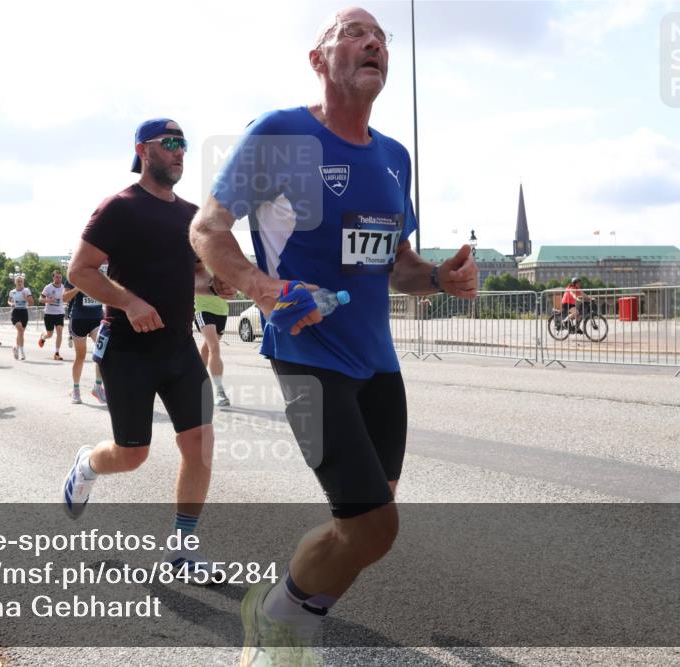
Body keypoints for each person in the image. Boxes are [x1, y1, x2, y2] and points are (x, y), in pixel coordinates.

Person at [188, 8, 479, 663]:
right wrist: (267, 290)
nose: (373, 41)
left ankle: (293, 609)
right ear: (319, 61)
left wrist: (439, 277)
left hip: (378, 364)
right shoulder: (281, 134)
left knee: (369, 529)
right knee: (374, 523)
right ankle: (278, 619)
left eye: (380, 36)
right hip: (306, 355)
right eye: (353, 32)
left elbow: (396, 265)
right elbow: (207, 229)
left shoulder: (394, 158)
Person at [64, 118, 236, 580]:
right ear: (144, 150)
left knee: (199, 443)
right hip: (127, 350)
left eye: (184, 144)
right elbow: (80, 272)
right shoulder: (119, 208)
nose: (181, 152)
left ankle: (182, 550)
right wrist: (129, 301)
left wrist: (215, 280)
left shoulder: (190, 215)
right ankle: (87, 464)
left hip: (179, 347)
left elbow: (195, 276)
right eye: (171, 143)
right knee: (131, 454)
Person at [63, 275, 106, 404]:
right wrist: (79, 287)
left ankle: (97, 387)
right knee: (80, 356)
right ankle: (76, 389)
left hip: (96, 319)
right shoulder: (74, 274)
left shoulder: (102, 273)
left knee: (102, 352)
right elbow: (65, 297)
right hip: (79, 319)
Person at [194, 290, 231, 407]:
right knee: (214, 347)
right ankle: (220, 391)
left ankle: (196, 380)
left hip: (222, 311)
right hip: (203, 309)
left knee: (207, 348)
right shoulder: (198, 270)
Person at [38, 270, 67, 360]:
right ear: (53, 277)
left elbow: (66, 298)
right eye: (57, 277)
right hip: (49, 313)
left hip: (60, 313)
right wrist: (48, 301)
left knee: (59, 332)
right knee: (50, 334)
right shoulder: (48, 287)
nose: (58, 279)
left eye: (60, 277)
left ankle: (57, 353)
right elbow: (40, 299)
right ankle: (43, 337)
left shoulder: (64, 287)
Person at [7, 275, 33, 360]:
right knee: (20, 330)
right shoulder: (12, 292)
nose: (20, 283)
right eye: (18, 281)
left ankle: (16, 348)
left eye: (21, 281)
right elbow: (9, 301)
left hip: (24, 312)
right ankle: (22, 352)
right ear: (15, 282)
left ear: (23, 282)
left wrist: (26, 298)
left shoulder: (26, 290)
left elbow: (32, 303)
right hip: (15, 312)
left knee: (20, 333)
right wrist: (11, 304)